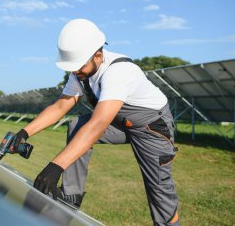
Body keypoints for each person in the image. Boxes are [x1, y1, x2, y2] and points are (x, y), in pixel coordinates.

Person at [11, 19, 179, 225]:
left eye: (78, 66)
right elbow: (60, 106)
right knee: (77, 125)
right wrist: (24, 132)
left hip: (153, 128)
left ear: (98, 55)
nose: (74, 72)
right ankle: (71, 196)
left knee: (159, 191)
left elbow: (98, 124)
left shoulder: (118, 72)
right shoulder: (81, 72)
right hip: (120, 123)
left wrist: (55, 166)